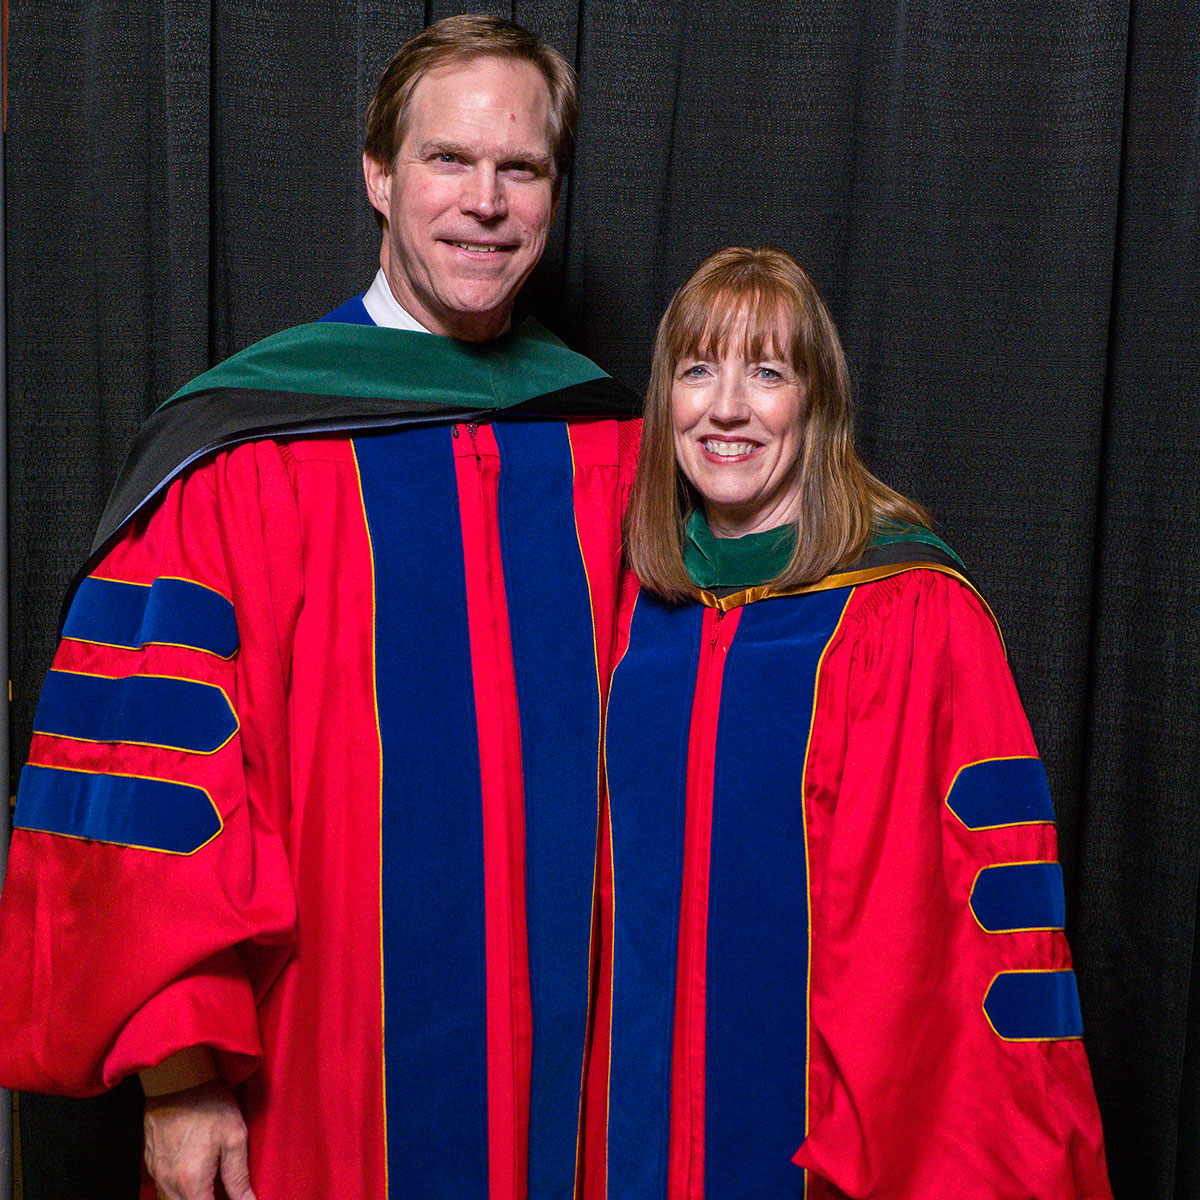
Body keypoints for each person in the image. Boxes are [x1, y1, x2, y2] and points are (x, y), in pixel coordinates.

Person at [0, 15, 637, 1200]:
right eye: (448, 159)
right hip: (314, 1063)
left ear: (554, 194)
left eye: (522, 168)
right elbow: (150, 784)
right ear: (379, 177)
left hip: (570, 1064)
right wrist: (180, 1075)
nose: (485, 201)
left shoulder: (605, 442)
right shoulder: (241, 450)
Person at [587, 246, 1112, 1198]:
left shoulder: (909, 613)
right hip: (630, 1125)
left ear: (817, 404)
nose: (727, 408)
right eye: (698, 371)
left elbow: (954, 938)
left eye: (767, 373)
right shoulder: (629, 605)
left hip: (821, 1134)